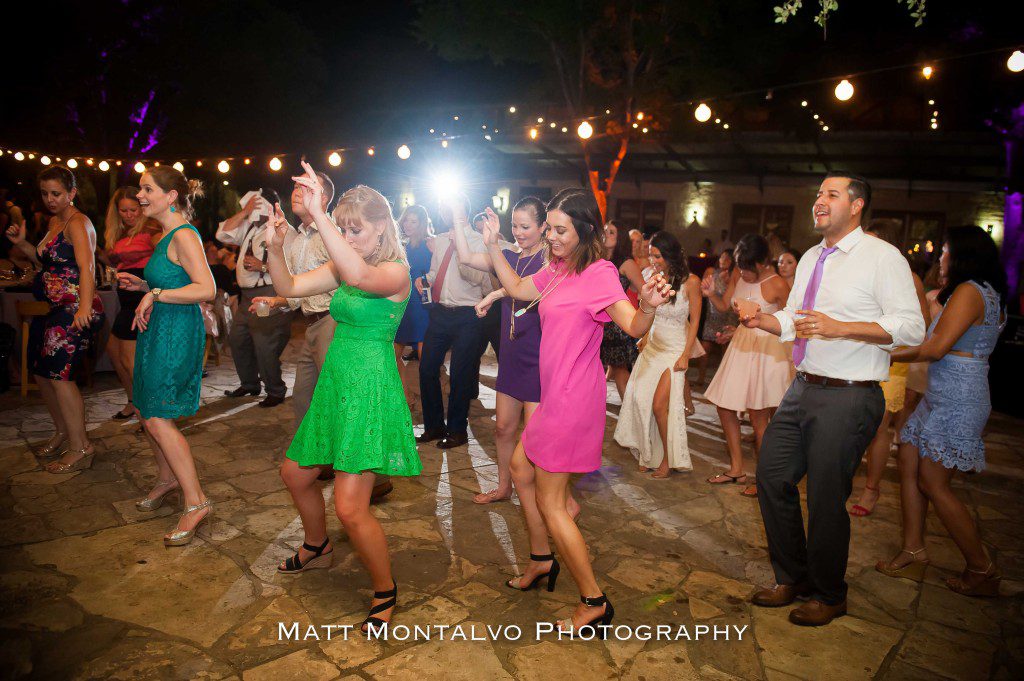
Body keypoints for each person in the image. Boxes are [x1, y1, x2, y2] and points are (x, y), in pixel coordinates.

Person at [481, 189, 674, 636]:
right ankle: (541, 559)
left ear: (585, 231)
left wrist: (647, 305)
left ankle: (593, 601)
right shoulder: (556, 268)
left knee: (552, 504)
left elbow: (633, 324)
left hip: (571, 401)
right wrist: (492, 244)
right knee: (520, 467)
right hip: (554, 395)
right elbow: (517, 289)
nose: (550, 236)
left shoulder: (599, 273)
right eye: (548, 228)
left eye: (559, 230)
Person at [741, 172, 925, 626]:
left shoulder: (882, 258)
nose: (819, 200)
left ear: (857, 205)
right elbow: (796, 319)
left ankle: (829, 594)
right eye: (819, 193)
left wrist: (842, 327)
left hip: (850, 393)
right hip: (803, 386)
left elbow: (912, 328)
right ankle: (793, 577)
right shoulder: (810, 257)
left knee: (825, 498)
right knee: (771, 476)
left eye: (832, 194)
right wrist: (763, 321)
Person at [272, 163, 420, 635]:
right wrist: (275, 247)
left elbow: (357, 275)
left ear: (382, 227)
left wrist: (320, 215)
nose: (349, 238)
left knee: (352, 508)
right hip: (337, 383)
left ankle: (385, 590)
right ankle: (317, 546)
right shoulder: (344, 262)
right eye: (345, 229)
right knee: (295, 473)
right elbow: (289, 288)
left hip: (369, 388)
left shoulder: (395, 271)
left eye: (356, 230)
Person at [876, 226, 1006, 597]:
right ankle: (913, 548)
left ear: (962, 254)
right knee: (908, 460)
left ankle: (982, 568)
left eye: (945, 250)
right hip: (943, 393)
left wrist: (881, 356)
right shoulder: (983, 291)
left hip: (958, 398)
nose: (940, 257)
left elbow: (935, 348)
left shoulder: (970, 292)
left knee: (934, 482)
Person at [117, 166, 217, 545]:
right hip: (158, 328)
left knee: (158, 416)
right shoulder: (163, 235)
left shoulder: (184, 235)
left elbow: (206, 288)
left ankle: (196, 501)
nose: (140, 196)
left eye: (147, 189)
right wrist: (144, 284)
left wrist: (155, 294)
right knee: (146, 409)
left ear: (170, 196)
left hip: (176, 333)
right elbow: (177, 280)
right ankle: (167, 478)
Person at [5, 166, 105, 471]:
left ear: (71, 193)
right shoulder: (54, 221)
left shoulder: (79, 223)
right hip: (56, 308)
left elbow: (87, 268)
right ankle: (63, 431)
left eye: (56, 193)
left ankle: (81, 446)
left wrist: (83, 308)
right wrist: (23, 243)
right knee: (41, 373)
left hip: (75, 308)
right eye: (45, 193)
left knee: (60, 376)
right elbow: (47, 262)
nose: (50, 199)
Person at [453, 197, 549, 505]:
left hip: (538, 357)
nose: (518, 232)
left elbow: (522, 287)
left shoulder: (551, 261)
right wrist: (458, 217)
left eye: (526, 227)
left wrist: (494, 293)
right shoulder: (508, 255)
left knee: (533, 439)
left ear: (543, 227)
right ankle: (504, 486)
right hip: (511, 354)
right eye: (514, 226)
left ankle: (545, 500)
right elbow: (466, 257)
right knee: (503, 428)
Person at [703, 234, 792, 497]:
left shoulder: (777, 283)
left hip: (767, 350)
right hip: (742, 346)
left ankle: (763, 480)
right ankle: (736, 468)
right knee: (724, 405)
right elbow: (725, 306)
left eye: (748, 268)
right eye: (740, 267)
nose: (743, 273)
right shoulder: (738, 275)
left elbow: (790, 322)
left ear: (763, 263)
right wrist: (711, 294)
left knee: (758, 415)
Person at [849, 223, 929, 517]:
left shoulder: (908, 278)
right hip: (858, 356)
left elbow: (921, 326)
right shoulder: (857, 274)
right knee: (854, 420)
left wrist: (892, 345)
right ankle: (844, 477)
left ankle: (872, 488)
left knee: (879, 425)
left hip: (891, 360)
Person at [614, 231, 703, 477]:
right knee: (640, 400)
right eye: (651, 255)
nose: (653, 260)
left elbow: (695, 321)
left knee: (660, 406)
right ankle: (647, 453)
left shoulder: (691, 282)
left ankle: (666, 459)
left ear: (671, 255)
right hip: (652, 346)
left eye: (658, 256)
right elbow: (646, 310)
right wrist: (643, 336)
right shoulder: (649, 276)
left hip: (674, 349)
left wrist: (686, 354)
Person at [416, 195, 493, 449]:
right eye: (443, 208)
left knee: (461, 374)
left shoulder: (477, 241)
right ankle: (434, 426)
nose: (445, 212)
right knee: (427, 369)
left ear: (463, 212)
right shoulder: (439, 240)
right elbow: (435, 272)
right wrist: (424, 280)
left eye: (450, 208)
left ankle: (458, 430)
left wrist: (461, 249)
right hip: (439, 313)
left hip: (467, 315)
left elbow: (476, 277)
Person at [216, 191, 295, 408]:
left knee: (264, 343)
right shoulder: (250, 228)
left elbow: (294, 267)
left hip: (268, 293)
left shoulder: (284, 230)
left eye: (255, 205)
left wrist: (263, 266)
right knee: (238, 339)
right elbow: (222, 234)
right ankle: (250, 383)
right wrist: (245, 212)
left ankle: (275, 389)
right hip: (246, 297)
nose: (252, 210)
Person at [101, 187, 161, 420]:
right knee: (114, 352)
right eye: (123, 210)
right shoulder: (119, 233)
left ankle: (149, 414)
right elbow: (112, 260)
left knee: (130, 360)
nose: (129, 215)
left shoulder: (152, 229)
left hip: (141, 297)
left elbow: (166, 255)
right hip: (125, 299)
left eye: (133, 209)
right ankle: (133, 401)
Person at [600, 220, 645, 400]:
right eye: (605, 230)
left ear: (620, 238)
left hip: (616, 325)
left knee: (619, 369)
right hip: (596, 322)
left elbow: (643, 291)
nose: (606, 234)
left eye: (611, 232)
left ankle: (630, 412)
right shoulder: (597, 259)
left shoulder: (626, 263)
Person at [394, 204, 434, 367]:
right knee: (395, 348)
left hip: (422, 299)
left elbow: (436, 272)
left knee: (423, 343)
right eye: (406, 220)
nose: (408, 225)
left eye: (413, 222)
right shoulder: (403, 245)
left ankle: (428, 382)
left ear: (421, 224)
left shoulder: (430, 243)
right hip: (403, 300)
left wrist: (427, 295)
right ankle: (398, 384)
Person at [697, 249, 738, 384]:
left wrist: (727, 281)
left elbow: (733, 297)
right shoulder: (711, 271)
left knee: (726, 350)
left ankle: (723, 381)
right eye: (722, 257)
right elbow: (702, 291)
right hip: (713, 315)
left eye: (727, 258)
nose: (723, 260)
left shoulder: (735, 275)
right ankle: (701, 378)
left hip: (728, 316)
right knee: (704, 348)